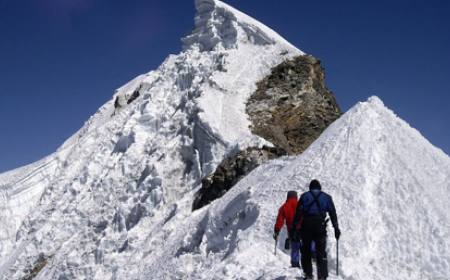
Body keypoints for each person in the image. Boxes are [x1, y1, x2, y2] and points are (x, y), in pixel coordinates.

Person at [292, 180, 340, 280]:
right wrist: (336, 228)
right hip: (320, 226)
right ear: (319, 187)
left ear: (310, 187)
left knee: (306, 251)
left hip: (306, 226)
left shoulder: (304, 196)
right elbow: (332, 213)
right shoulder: (327, 197)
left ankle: (308, 274)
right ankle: (322, 275)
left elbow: (298, 213)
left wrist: (294, 228)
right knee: (321, 251)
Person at [273, 190, 301, 267]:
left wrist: (277, 230)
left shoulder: (284, 206)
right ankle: (308, 263)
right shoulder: (301, 204)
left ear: (288, 197)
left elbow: (280, 220)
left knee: (295, 246)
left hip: (292, 230)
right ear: (296, 197)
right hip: (303, 228)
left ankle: (295, 263)